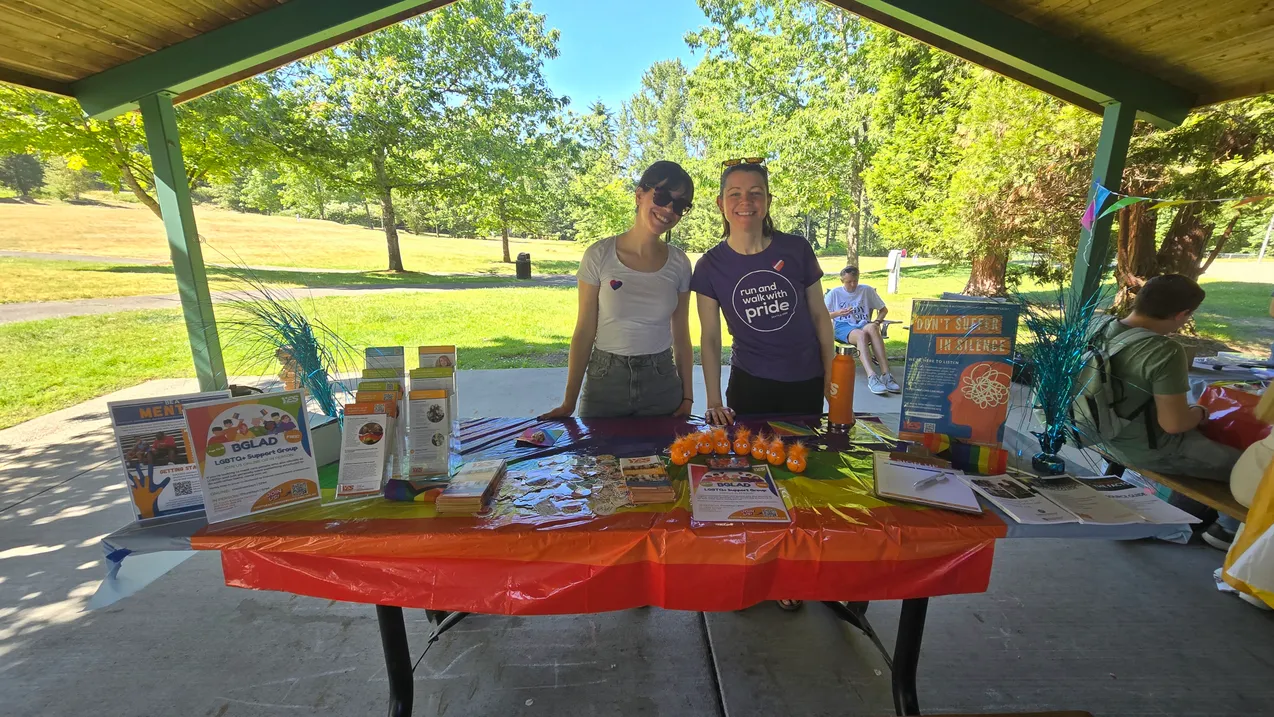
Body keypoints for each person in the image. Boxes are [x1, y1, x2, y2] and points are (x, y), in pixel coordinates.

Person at [1094, 274, 1242, 547]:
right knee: (1256, 469)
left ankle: (1220, 523)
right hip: (1148, 449)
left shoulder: (1098, 326)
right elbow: (1174, 424)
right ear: (1182, 314)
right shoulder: (1164, 350)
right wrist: (1199, 411)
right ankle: (1229, 530)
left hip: (1099, 435)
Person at [541, 160, 696, 419]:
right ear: (639, 195)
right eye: (662, 196)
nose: (669, 208)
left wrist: (688, 397)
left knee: (663, 459)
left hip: (662, 381)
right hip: (605, 381)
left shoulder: (680, 263)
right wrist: (568, 402)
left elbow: (681, 335)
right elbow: (584, 331)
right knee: (596, 459)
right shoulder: (599, 255)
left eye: (681, 205)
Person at [692, 158, 835, 425]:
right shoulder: (708, 266)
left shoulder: (797, 249)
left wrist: (831, 372)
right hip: (749, 385)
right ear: (720, 203)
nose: (745, 201)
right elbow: (710, 338)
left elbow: (819, 315)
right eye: (735, 194)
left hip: (806, 381)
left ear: (768, 200)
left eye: (755, 193)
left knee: (806, 461)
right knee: (750, 465)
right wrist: (713, 401)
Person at [824, 265, 898, 395]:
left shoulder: (866, 290)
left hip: (863, 323)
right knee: (861, 335)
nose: (853, 284)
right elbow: (823, 314)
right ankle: (872, 376)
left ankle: (886, 375)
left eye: (855, 281)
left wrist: (877, 321)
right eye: (849, 282)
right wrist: (837, 313)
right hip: (843, 326)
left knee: (873, 327)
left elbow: (883, 310)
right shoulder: (834, 293)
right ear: (842, 281)